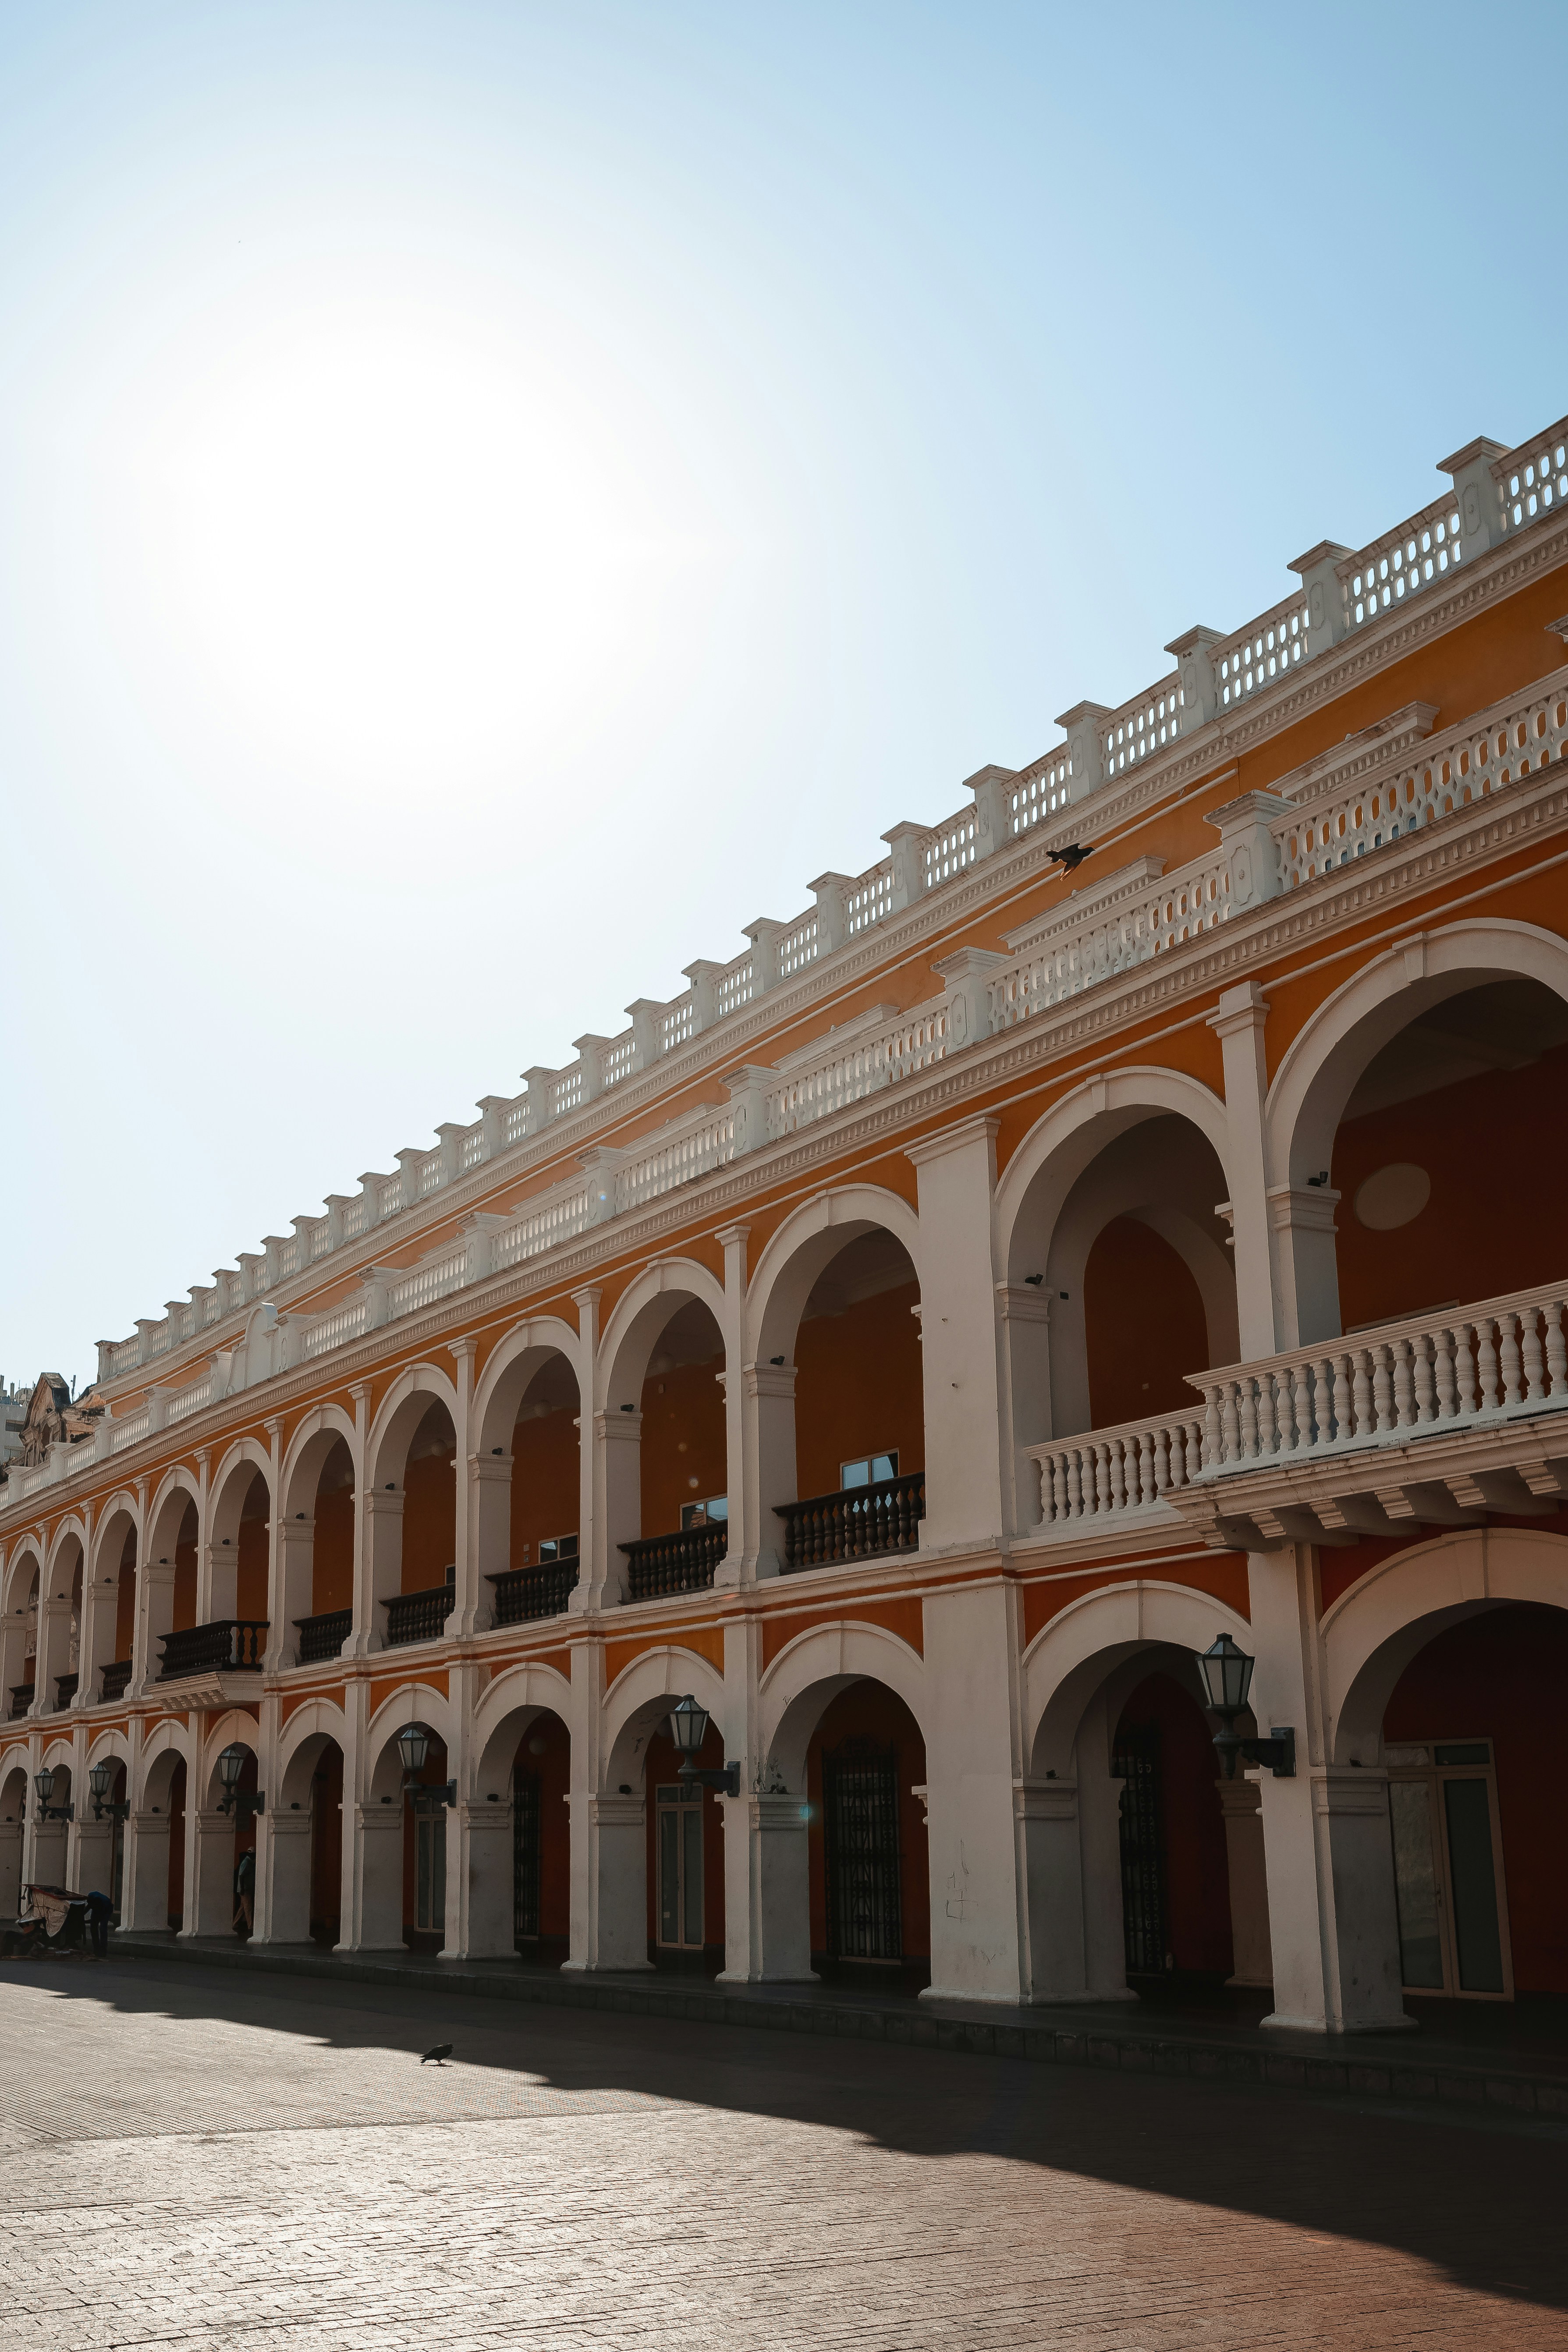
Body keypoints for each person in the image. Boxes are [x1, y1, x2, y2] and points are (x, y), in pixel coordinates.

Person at [84, 1889, 114, 1961]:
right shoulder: (91, 1897)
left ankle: (103, 1950)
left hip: (107, 1909)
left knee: (103, 1929)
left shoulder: (105, 1904)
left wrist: (84, 1921)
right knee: (93, 1928)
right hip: (97, 1904)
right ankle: (96, 1949)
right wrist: (80, 1916)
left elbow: (95, 1920)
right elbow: (87, 1908)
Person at [233, 1845, 255, 1937]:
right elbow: (241, 1876)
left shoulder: (249, 1862)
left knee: (242, 1908)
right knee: (248, 1908)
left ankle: (235, 1924)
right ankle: (250, 1926)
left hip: (246, 1888)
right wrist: (241, 1888)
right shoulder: (246, 1862)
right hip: (245, 1889)